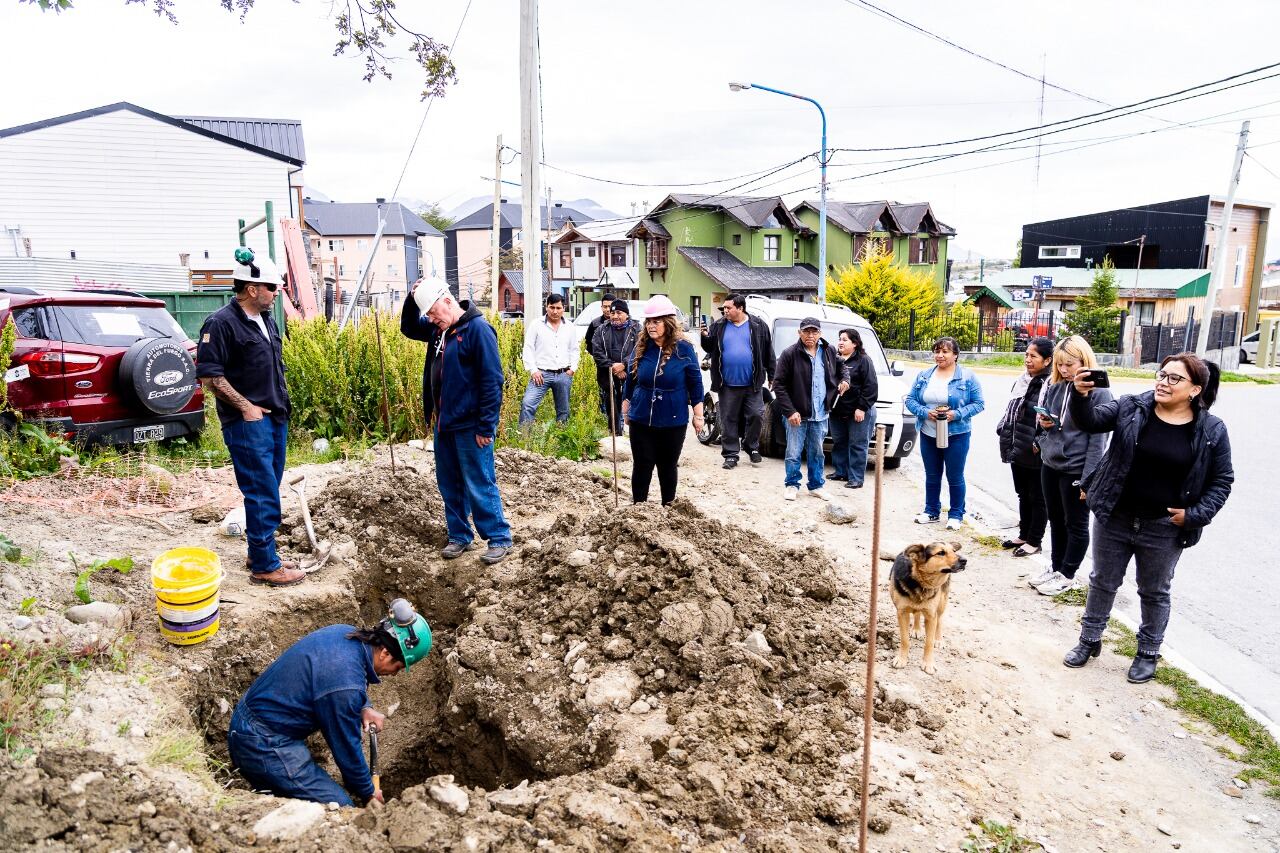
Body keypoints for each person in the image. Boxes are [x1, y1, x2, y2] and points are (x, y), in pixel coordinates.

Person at [1063, 353, 1233, 684]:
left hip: (1164, 527)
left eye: (1174, 379)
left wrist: (1195, 515)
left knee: (1154, 591)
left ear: (1195, 390)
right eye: (1161, 374)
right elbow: (1091, 421)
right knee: (1102, 580)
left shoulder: (1211, 430)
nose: (1163, 382)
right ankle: (1089, 640)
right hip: (1116, 516)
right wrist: (1080, 395)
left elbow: (1222, 480)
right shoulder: (1132, 407)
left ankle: (1148, 652)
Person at [227, 600, 431, 806]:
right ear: (386, 653)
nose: (395, 674)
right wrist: (368, 792)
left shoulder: (345, 634)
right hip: (261, 743)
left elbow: (338, 680)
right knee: (341, 808)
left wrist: (364, 706)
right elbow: (346, 748)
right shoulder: (345, 687)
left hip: (252, 723)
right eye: (398, 666)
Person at [196, 248, 303, 588]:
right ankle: (265, 566)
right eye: (272, 287)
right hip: (248, 423)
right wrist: (246, 407)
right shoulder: (220, 323)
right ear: (252, 288)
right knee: (261, 492)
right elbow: (211, 377)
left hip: (274, 418)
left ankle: (259, 552)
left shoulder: (266, 320)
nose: (277, 293)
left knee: (268, 486)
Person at [403, 278, 513, 565]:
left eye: (432, 313)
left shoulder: (477, 330)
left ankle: (498, 537)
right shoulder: (440, 330)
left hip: (470, 425)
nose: (430, 319)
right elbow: (408, 328)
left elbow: (492, 381)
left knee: (479, 480)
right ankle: (459, 535)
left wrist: (486, 426)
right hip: (445, 423)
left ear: (448, 302)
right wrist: (411, 296)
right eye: (427, 315)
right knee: (449, 483)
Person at [1030, 336, 1113, 595]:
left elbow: (1098, 440)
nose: (1065, 370)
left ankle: (1068, 573)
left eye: (1070, 364)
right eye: (1060, 364)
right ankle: (1056, 567)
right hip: (1050, 463)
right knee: (1055, 518)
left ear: (1084, 361)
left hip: (1077, 468)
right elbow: (1056, 424)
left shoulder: (1100, 392)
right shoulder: (1055, 386)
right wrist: (1045, 428)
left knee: (1075, 523)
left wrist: (1089, 478)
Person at [621, 295, 705, 505]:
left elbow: (696, 384)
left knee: (667, 465)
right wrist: (625, 409)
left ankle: (669, 507)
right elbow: (631, 381)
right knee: (642, 464)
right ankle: (638, 507)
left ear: (668, 322)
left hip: (673, 419)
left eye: (656, 321)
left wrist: (698, 415)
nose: (651, 326)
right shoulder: (642, 347)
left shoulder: (684, 349)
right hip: (641, 417)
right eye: (648, 321)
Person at [905, 337, 985, 530]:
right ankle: (931, 510)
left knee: (954, 475)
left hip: (957, 433)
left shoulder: (967, 377)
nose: (940, 355)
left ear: (955, 355)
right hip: (928, 431)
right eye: (937, 351)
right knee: (932, 474)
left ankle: (956, 514)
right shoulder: (924, 375)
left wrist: (955, 414)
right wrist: (925, 412)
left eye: (945, 352)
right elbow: (910, 400)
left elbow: (979, 403)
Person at [773, 317, 847, 502]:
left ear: (820, 334)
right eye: (806, 331)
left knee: (817, 452)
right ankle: (791, 484)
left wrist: (845, 380)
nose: (810, 335)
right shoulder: (790, 354)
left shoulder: (828, 350)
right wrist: (790, 411)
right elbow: (779, 385)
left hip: (820, 413)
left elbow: (842, 366)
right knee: (793, 451)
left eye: (814, 332)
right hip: (797, 414)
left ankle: (816, 485)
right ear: (799, 333)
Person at [699, 293, 775, 469]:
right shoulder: (719, 325)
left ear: (740, 308)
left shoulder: (758, 325)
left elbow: (768, 352)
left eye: (728, 308)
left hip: (752, 383)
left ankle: (750, 445)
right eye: (724, 308)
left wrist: (772, 375)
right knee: (728, 419)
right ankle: (731, 454)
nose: (724, 311)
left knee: (757, 415)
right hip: (727, 384)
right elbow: (709, 348)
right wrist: (704, 336)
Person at [994, 337, 1054, 557]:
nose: (1028, 360)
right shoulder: (1023, 380)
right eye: (1026, 355)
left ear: (1047, 360)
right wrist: (1004, 428)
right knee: (1023, 494)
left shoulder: (1051, 384)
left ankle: (1035, 541)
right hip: (1017, 444)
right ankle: (1023, 534)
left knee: (1038, 497)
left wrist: (1039, 441)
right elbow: (1013, 409)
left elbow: (1051, 417)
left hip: (1037, 449)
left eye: (1033, 356)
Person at [829, 328, 879, 489]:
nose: (840, 342)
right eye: (839, 339)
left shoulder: (864, 360)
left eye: (845, 339)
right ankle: (841, 472)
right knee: (839, 442)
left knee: (858, 444)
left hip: (858, 411)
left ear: (855, 343)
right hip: (837, 411)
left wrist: (862, 408)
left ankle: (856, 478)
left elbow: (870, 387)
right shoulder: (835, 359)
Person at [519, 292, 576, 426]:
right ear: (546, 307)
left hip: (563, 374)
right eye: (552, 307)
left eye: (558, 308)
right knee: (528, 404)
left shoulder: (570, 326)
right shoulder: (536, 325)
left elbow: (574, 349)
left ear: (564, 308)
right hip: (541, 374)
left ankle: (562, 439)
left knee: (563, 411)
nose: (555, 311)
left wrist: (573, 368)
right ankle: (524, 440)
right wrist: (533, 370)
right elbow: (528, 348)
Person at [590, 299, 639, 436]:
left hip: (630, 373)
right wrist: (613, 366)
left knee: (631, 402)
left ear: (627, 315)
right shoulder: (601, 330)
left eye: (619, 312)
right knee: (611, 403)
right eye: (612, 313)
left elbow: (640, 350)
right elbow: (597, 352)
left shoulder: (636, 329)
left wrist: (624, 364)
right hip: (608, 374)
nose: (615, 316)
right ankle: (615, 433)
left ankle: (633, 434)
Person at [586, 292, 617, 420]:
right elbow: (588, 344)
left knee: (617, 396)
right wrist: (600, 358)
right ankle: (604, 420)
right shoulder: (595, 324)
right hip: (601, 366)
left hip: (618, 366)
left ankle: (617, 424)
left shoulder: (620, 322)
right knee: (603, 393)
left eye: (610, 306)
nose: (607, 309)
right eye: (604, 306)